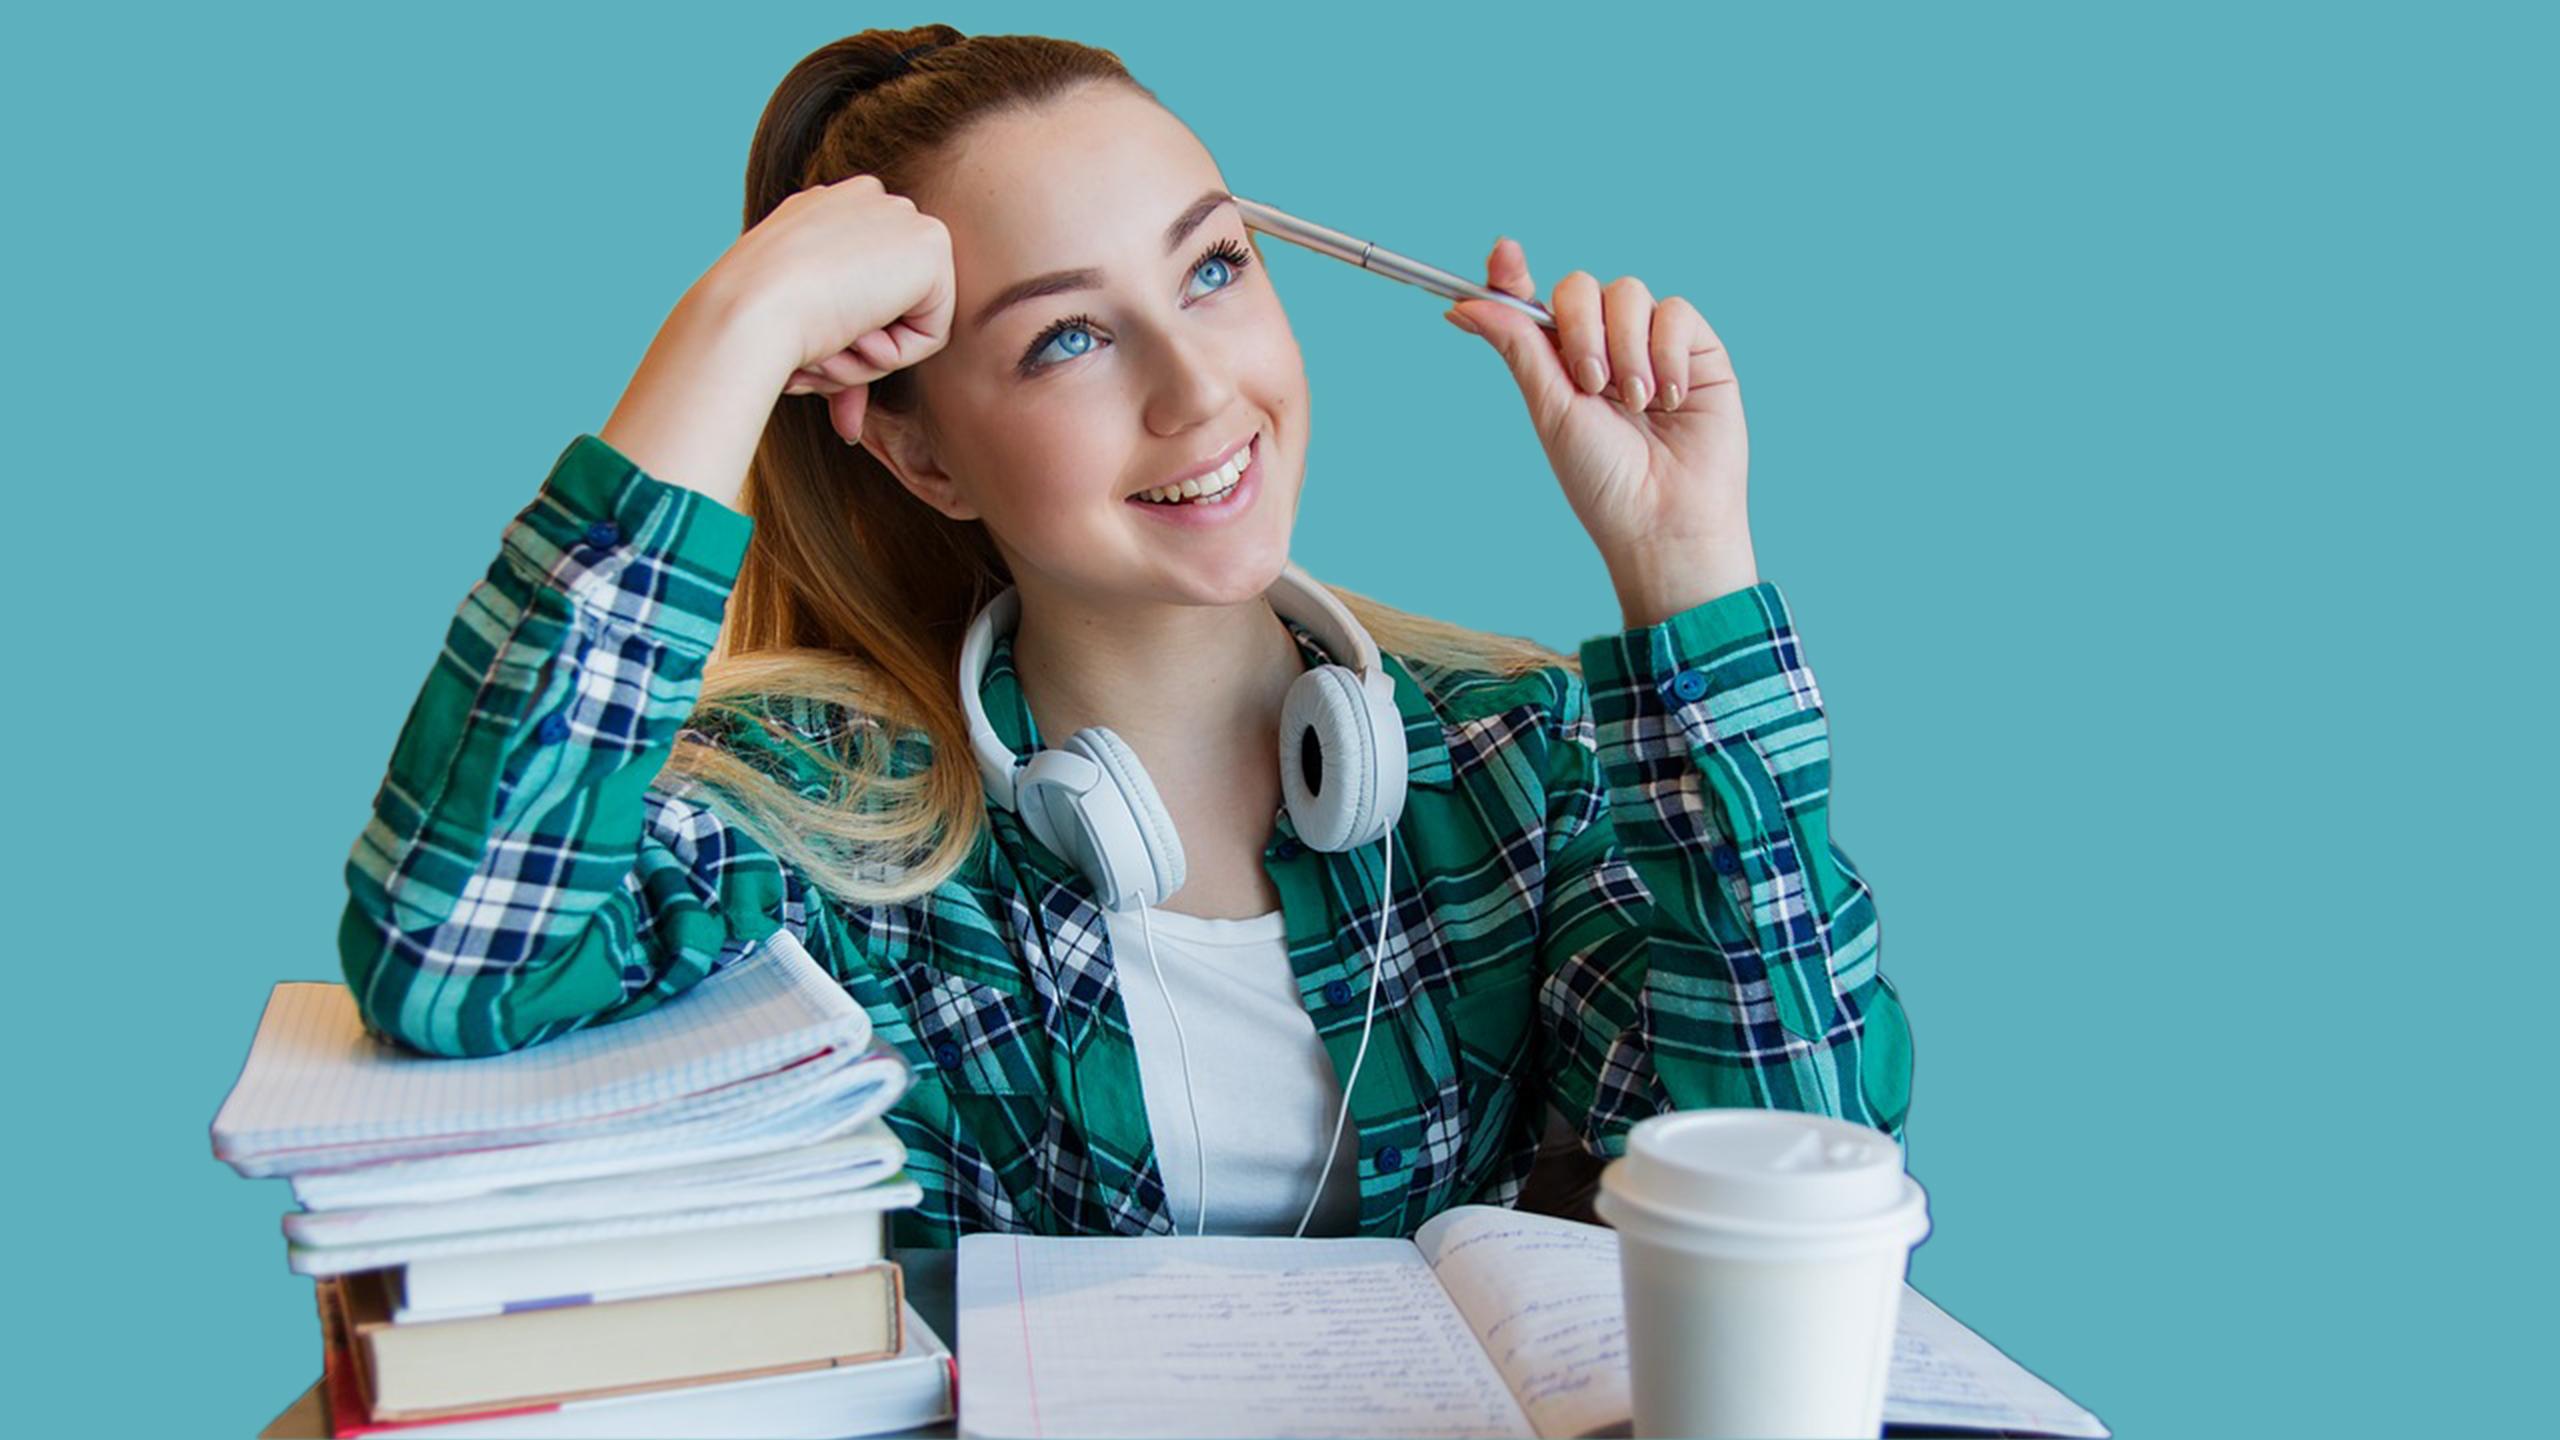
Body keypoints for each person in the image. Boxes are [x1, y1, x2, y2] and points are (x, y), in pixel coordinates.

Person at [337, 24, 1913, 1250]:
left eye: (1214, 269)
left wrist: (1684, 566)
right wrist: (738, 329)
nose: (1200, 393)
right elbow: (461, 962)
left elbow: (1804, 1187)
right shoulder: (812, 833)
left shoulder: (1526, 769)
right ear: (922, 452)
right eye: (1069, 338)